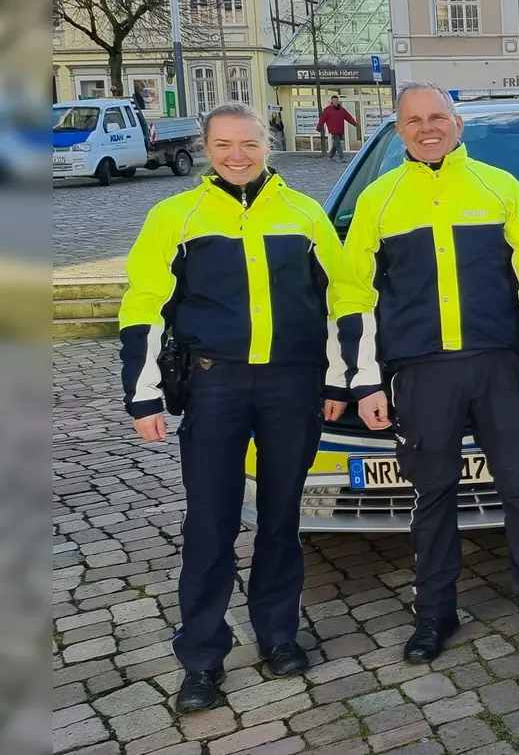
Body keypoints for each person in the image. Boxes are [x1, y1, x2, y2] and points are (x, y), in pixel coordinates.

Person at [118, 103, 360, 714]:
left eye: (248, 143)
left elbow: (343, 300)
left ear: (267, 145)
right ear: (206, 148)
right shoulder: (176, 216)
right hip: (215, 386)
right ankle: (201, 656)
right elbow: (144, 303)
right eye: (223, 144)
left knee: (281, 516)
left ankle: (279, 635)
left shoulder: (305, 216)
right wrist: (142, 390)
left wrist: (340, 381)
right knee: (211, 524)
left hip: (292, 386)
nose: (236, 155)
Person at [338, 81, 519, 664]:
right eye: (413, 120)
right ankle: (434, 617)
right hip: (421, 376)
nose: (427, 128)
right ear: (398, 129)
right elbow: (353, 297)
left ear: (458, 124)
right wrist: (364, 382)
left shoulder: (499, 187)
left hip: (499, 369)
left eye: (437, 117)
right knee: (432, 498)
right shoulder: (378, 200)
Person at [316, 95, 356, 163]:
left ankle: (331, 155)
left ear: (338, 101)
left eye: (336, 100)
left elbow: (348, 117)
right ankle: (341, 157)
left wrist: (354, 123)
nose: (335, 102)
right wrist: (319, 127)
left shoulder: (342, 109)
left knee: (336, 143)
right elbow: (322, 119)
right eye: (334, 100)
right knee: (338, 143)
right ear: (331, 101)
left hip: (340, 129)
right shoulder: (327, 110)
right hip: (333, 130)